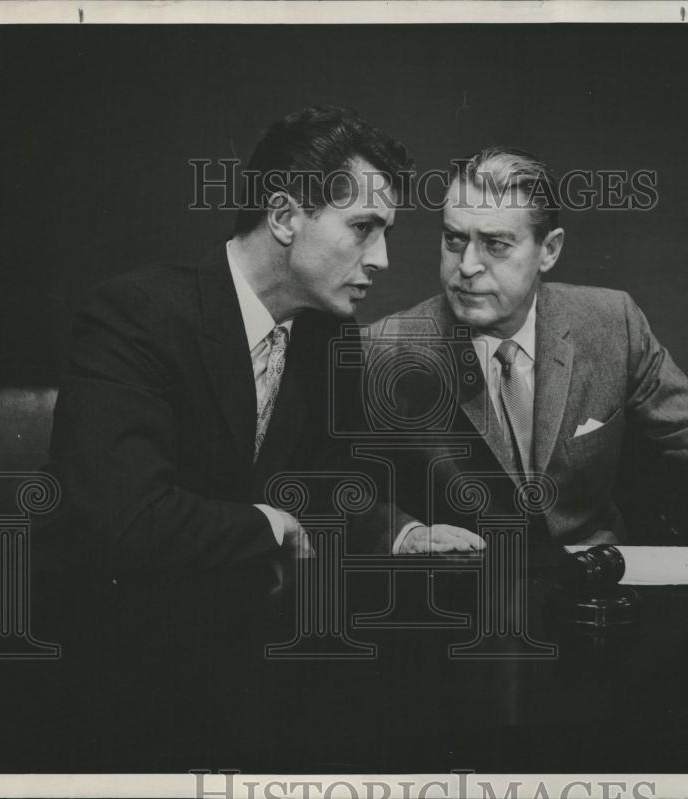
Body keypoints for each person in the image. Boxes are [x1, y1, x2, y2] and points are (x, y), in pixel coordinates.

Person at [369, 146, 688, 580]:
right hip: (462, 590)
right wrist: (403, 531)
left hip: (598, 580)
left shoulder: (612, 322)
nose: (468, 266)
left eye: (496, 244)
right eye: (454, 239)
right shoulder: (386, 348)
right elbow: (334, 486)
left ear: (549, 250)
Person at [46, 106, 415, 580]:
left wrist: (401, 533)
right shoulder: (134, 315)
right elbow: (128, 517)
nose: (382, 259)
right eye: (363, 228)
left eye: (386, 232)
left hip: (245, 623)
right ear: (283, 216)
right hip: (111, 626)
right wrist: (271, 524)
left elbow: (331, 488)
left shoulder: (328, 335)